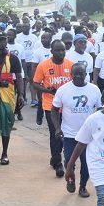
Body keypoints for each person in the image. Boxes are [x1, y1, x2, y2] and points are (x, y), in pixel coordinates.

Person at [51, 64, 101, 197]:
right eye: (75, 74)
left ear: (86, 74)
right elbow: (54, 110)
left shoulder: (94, 90)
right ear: (71, 75)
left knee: (86, 163)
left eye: (81, 73)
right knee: (69, 160)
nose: (78, 76)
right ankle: (71, 179)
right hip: (69, 134)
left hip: (89, 135)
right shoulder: (63, 90)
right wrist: (57, 128)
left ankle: (83, 186)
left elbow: (100, 110)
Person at [33, 40, 73, 177]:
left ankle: (55, 158)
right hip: (50, 105)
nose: (61, 53)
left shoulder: (70, 65)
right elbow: (35, 84)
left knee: (66, 133)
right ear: (51, 51)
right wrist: (46, 89)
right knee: (55, 133)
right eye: (57, 50)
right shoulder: (43, 65)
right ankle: (58, 163)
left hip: (68, 106)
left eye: (63, 50)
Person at [0, 33, 24, 165]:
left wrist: (20, 94)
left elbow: (19, 77)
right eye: (0, 40)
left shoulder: (13, 58)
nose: (2, 42)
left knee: (7, 122)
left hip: (7, 96)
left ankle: (5, 153)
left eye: (4, 40)